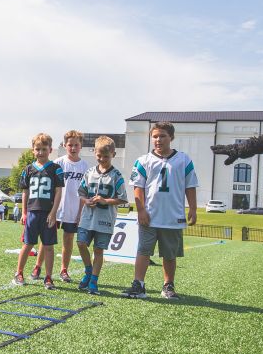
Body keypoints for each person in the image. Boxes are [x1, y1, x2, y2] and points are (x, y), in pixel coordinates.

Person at [124, 122, 198, 299]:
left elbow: (190, 186)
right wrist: (141, 210)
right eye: (155, 136)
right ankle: (139, 284)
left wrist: (193, 208)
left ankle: (168, 285)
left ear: (171, 137)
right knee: (143, 250)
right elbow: (138, 187)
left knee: (170, 254)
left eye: (162, 136)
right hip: (150, 215)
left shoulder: (183, 159)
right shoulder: (143, 160)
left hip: (173, 215)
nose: (158, 139)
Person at [76, 136, 127, 295]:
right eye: (99, 155)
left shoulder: (116, 175)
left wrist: (105, 201)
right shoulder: (89, 172)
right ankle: (88, 270)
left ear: (113, 154)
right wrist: (86, 201)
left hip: (105, 220)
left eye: (106, 156)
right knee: (81, 243)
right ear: (94, 153)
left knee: (98, 250)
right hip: (87, 218)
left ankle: (93, 281)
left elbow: (123, 198)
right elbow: (81, 193)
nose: (102, 159)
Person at [13, 133, 64, 290]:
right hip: (33, 212)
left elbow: (58, 192)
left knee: (48, 246)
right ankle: (18, 273)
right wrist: (24, 212)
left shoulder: (56, 169)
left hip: (48, 212)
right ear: (32, 150)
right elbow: (25, 192)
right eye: (37, 149)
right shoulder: (28, 169)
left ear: (50, 150)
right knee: (28, 244)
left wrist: (54, 212)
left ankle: (48, 277)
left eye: (44, 149)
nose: (41, 152)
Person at [54, 130, 92, 283]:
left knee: (68, 239)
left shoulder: (84, 166)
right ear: (64, 145)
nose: (73, 148)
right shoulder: (58, 163)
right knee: (47, 239)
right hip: (56, 208)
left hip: (73, 210)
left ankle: (64, 269)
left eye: (76, 145)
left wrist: (80, 213)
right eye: (70, 145)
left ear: (81, 146)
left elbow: (85, 192)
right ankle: (38, 267)